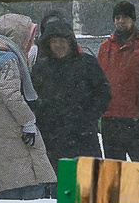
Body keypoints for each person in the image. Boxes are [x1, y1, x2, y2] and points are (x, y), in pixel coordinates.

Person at [0, 12, 55, 200]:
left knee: (9, 177)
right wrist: (28, 121)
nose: (29, 43)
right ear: (17, 37)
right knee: (27, 178)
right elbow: (11, 94)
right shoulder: (9, 59)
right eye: (27, 37)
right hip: (9, 123)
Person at [31, 10, 111, 168]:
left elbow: (103, 92)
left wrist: (89, 117)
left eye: (63, 41)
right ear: (48, 43)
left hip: (83, 137)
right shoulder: (41, 68)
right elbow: (33, 98)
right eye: (54, 41)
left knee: (88, 184)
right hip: (53, 139)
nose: (59, 45)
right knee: (61, 187)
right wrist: (43, 120)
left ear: (70, 42)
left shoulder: (86, 63)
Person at [96, 0, 139, 163]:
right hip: (111, 119)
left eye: (125, 17)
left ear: (133, 19)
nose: (121, 21)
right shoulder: (105, 48)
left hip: (137, 120)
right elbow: (98, 82)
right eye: (117, 17)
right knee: (114, 172)